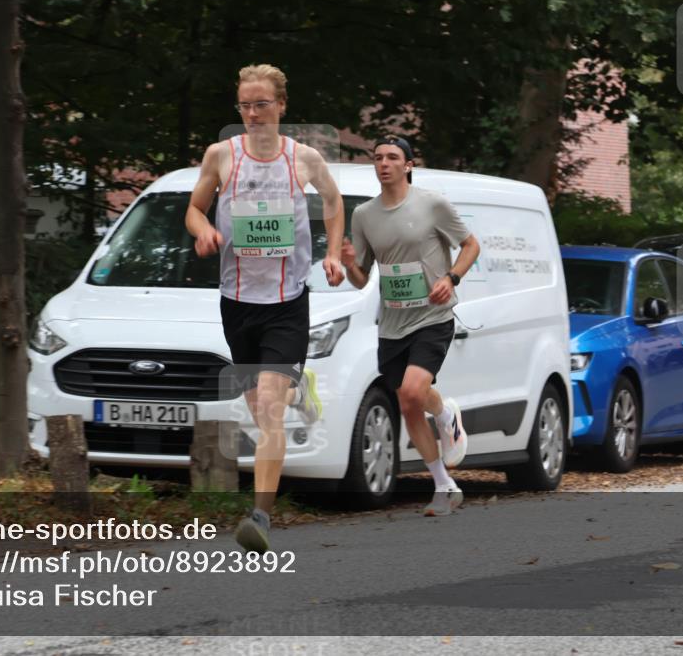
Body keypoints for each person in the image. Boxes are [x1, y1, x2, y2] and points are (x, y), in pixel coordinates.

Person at [185, 64, 345, 551]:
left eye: (261, 104)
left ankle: (260, 517)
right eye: (244, 106)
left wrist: (334, 253)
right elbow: (193, 208)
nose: (253, 115)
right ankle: (303, 391)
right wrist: (204, 232)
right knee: (263, 408)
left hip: (286, 304)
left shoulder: (305, 160)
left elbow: (335, 204)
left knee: (268, 411)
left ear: (281, 106)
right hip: (237, 305)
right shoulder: (221, 156)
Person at [341, 135, 481, 516]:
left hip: (433, 316)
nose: (383, 163)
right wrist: (349, 262)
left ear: (408, 165)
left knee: (411, 392)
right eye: (378, 157)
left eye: (392, 157)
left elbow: (471, 245)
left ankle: (444, 419)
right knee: (411, 402)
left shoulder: (431, 204)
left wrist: (450, 278)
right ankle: (443, 482)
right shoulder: (364, 215)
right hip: (392, 322)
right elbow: (360, 277)